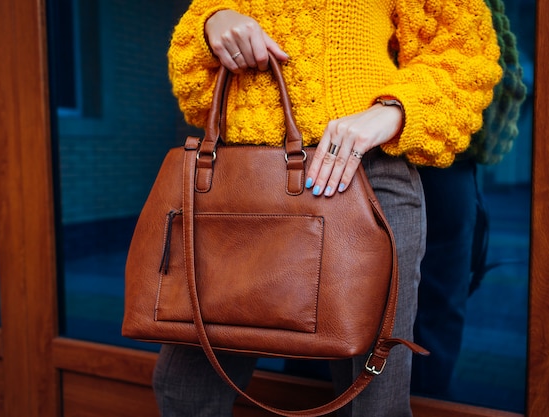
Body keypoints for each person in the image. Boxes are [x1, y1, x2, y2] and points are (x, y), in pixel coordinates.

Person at [153, 1, 502, 416]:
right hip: (241, 182)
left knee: (372, 399)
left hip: (360, 176)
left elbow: (463, 52)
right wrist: (213, 23)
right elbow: (193, 86)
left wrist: (392, 112)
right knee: (185, 388)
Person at [411, 0, 527, 397]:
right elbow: (506, 76)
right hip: (444, 152)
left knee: (336, 297)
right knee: (438, 308)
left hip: (359, 144)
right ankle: (428, 403)